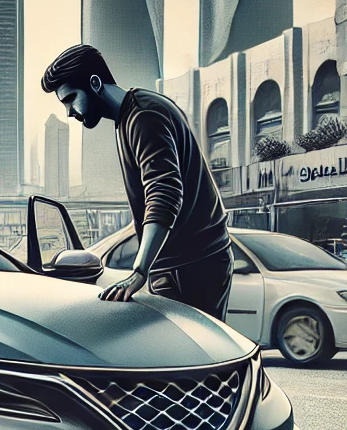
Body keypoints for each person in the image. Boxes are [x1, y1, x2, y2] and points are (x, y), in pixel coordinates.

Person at [41, 44, 233, 318]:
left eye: (71, 98)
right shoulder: (131, 116)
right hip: (185, 263)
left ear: (95, 84)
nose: (70, 112)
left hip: (191, 265)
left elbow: (163, 192)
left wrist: (139, 272)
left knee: (191, 356)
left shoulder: (144, 116)